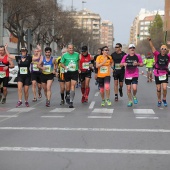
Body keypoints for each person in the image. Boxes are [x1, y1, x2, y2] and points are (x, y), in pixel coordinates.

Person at [148, 38, 170, 107]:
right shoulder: (157, 55)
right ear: (160, 50)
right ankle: (159, 100)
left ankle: (164, 99)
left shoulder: (168, 56)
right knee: (158, 89)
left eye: (165, 49)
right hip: (157, 73)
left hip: (164, 73)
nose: (163, 50)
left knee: (164, 88)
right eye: (162, 49)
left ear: (166, 50)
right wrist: (150, 41)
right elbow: (152, 48)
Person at [60, 44, 80, 108]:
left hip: (74, 72)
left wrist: (79, 68)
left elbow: (78, 61)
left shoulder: (77, 54)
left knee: (73, 86)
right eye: (70, 48)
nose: (71, 50)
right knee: (67, 88)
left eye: (72, 48)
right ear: (68, 49)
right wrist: (65, 67)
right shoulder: (65, 55)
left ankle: (71, 102)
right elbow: (61, 63)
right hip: (68, 72)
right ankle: (67, 94)